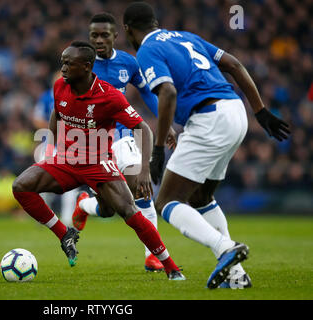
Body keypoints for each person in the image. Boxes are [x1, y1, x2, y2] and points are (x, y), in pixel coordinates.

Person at [123, 2, 290, 289]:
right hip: (235, 112)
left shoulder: (148, 50)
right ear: (155, 21)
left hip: (208, 118)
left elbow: (168, 92)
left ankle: (225, 248)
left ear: (127, 30)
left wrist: (159, 148)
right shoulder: (186, 36)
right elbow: (234, 65)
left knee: (166, 202)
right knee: (200, 197)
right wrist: (260, 111)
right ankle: (236, 276)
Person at [12, 40, 185, 280]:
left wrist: (144, 169)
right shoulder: (60, 86)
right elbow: (57, 112)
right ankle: (65, 234)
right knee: (21, 186)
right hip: (66, 160)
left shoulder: (109, 96)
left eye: (68, 63)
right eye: (62, 62)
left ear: (85, 66)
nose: (62, 68)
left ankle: (170, 266)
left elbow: (142, 128)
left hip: (98, 164)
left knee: (127, 211)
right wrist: (51, 148)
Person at [71, 12, 176, 273]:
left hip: (121, 137)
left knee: (141, 189)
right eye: (94, 35)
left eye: (104, 35)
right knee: (108, 209)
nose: (99, 40)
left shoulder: (128, 64)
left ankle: (152, 255)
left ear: (115, 36)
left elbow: (149, 93)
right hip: (92, 142)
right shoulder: (81, 65)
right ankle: (84, 204)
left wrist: (167, 123)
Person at [32, 70, 81, 226]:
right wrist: (53, 126)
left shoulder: (77, 95)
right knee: (43, 182)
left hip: (70, 147)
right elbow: (37, 119)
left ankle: (67, 220)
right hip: (50, 145)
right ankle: (44, 216)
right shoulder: (47, 97)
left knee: (71, 185)